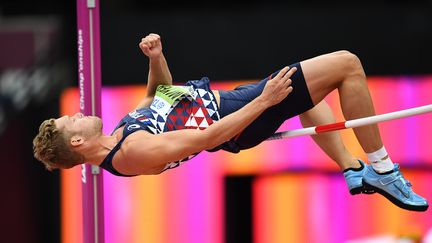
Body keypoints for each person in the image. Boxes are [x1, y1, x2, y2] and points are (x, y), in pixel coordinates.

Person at [33, 33, 428, 212]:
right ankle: (383, 169)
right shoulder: (131, 153)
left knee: (311, 97)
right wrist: (266, 101)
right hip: (237, 117)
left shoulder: (120, 135)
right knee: (347, 63)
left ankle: (353, 169)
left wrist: (155, 58)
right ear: (79, 144)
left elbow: (159, 95)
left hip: (238, 101)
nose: (79, 113)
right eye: (73, 120)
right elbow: (210, 137)